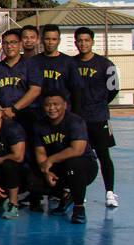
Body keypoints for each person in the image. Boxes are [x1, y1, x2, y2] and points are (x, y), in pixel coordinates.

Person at [30, 94, 98, 225]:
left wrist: (50, 160)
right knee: (32, 177)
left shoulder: (75, 121)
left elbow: (77, 150)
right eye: (48, 105)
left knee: (73, 163)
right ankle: (64, 197)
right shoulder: (40, 125)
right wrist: (46, 172)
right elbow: (40, 152)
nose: (51, 108)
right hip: (59, 167)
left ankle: (79, 208)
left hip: (84, 167)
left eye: (56, 104)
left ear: (65, 105)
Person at [74, 26, 119, 207]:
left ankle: (110, 193)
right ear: (76, 42)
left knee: (103, 155)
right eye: (80, 40)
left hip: (99, 118)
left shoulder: (106, 65)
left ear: (92, 42)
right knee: (79, 156)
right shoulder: (71, 63)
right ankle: (79, 191)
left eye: (87, 40)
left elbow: (114, 90)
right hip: (78, 119)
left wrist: (99, 104)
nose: (83, 43)